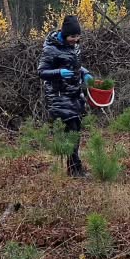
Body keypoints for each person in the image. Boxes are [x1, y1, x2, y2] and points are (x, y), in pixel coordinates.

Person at [37, 14, 92, 177]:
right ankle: (75, 171)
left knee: (76, 132)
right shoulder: (50, 49)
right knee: (72, 132)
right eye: (72, 36)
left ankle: (74, 168)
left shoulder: (74, 47)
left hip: (74, 94)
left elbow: (76, 66)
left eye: (77, 36)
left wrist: (85, 74)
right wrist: (58, 72)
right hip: (58, 96)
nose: (75, 39)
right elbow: (42, 72)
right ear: (65, 33)